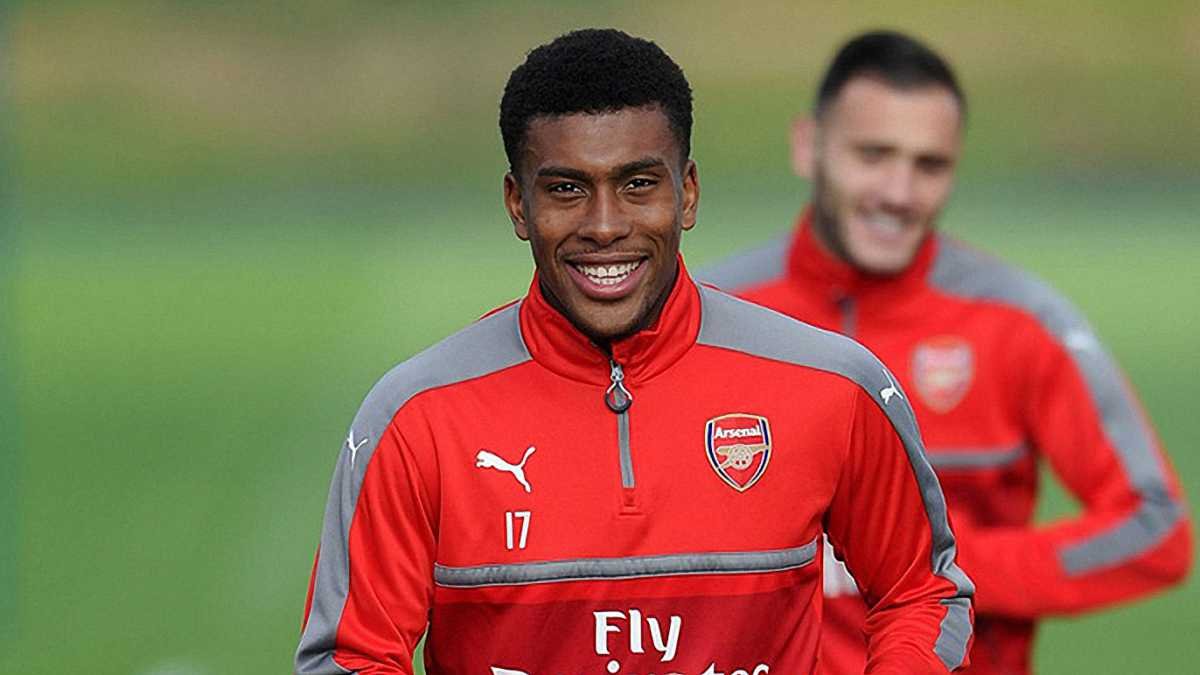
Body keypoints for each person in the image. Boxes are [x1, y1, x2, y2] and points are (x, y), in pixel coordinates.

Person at [294, 28, 974, 675]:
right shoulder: (418, 417)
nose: (605, 225)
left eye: (639, 184)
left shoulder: (833, 387)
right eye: (566, 189)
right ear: (517, 204)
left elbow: (922, 592)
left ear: (688, 193)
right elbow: (351, 655)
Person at [697, 30, 1192, 675]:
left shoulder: (1019, 321)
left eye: (929, 166)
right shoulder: (713, 317)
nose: (899, 192)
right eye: (873, 155)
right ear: (807, 146)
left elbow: (1156, 528)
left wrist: (937, 568)